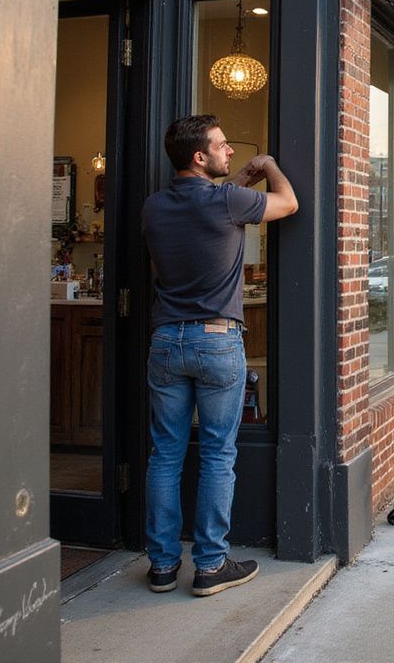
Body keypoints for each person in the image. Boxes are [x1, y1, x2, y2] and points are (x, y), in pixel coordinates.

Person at [142, 115, 298, 596]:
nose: (230, 151)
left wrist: (232, 184)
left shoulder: (153, 207)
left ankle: (163, 567)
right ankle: (210, 566)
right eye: (222, 145)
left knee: (164, 455)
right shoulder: (229, 201)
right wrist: (269, 165)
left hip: (167, 338)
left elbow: (192, 223)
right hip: (217, 339)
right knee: (216, 454)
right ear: (198, 156)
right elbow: (288, 203)